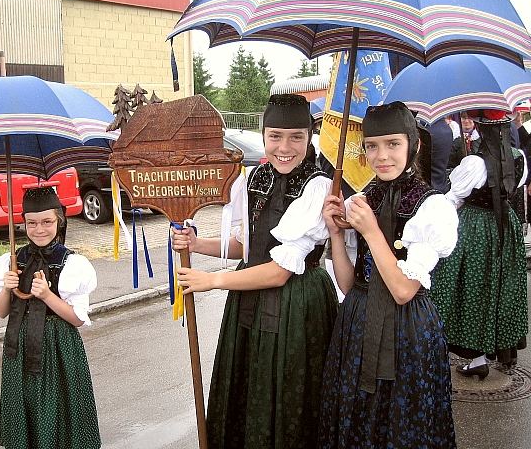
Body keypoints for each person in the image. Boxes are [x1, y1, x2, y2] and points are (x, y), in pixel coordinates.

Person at [172, 94, 338, 448]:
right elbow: (244, 246)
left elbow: (280, 272)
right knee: (248, 386)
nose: (285, 147)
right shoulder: (254, 177)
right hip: (248, 298)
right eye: (275, 136)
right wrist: (196, 244)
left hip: (296, 304)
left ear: (310, 136)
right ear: (263, 135)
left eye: (296, 137)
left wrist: (213, 280)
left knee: (288, 389)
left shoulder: (318, 185)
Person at [319, 101, 458, 448]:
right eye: (372, 145)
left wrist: (370, 231)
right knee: (360, 417)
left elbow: (402, 290)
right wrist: (337, 233)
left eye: (393, 144)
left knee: (402, 420)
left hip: (406, 329)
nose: (382, 155)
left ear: (414, 145)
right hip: (358, 321)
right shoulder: (363, 199)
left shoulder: (433, 207)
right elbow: (349, 283)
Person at [0, 187, 101, 449]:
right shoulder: (12, 260)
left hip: (58, 346)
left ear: (59, 221)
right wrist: (7, 286)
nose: (39, 229)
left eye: (47, 222)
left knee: (58, 407)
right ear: (23, 223)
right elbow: (2, 311)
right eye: (32, 223)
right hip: (19, 347)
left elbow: (77, 319)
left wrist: (48, 296)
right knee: (26, 405)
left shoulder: (72, 264)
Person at [431, 109, 528, 378]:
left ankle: (477, 357)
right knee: (501, 285)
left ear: (483, 130)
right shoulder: (519, 158)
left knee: (472, 286)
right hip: (506, 226)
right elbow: (514, 186)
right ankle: (501, 349)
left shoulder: (475, 162)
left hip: (476, 227)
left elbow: (454, 197)